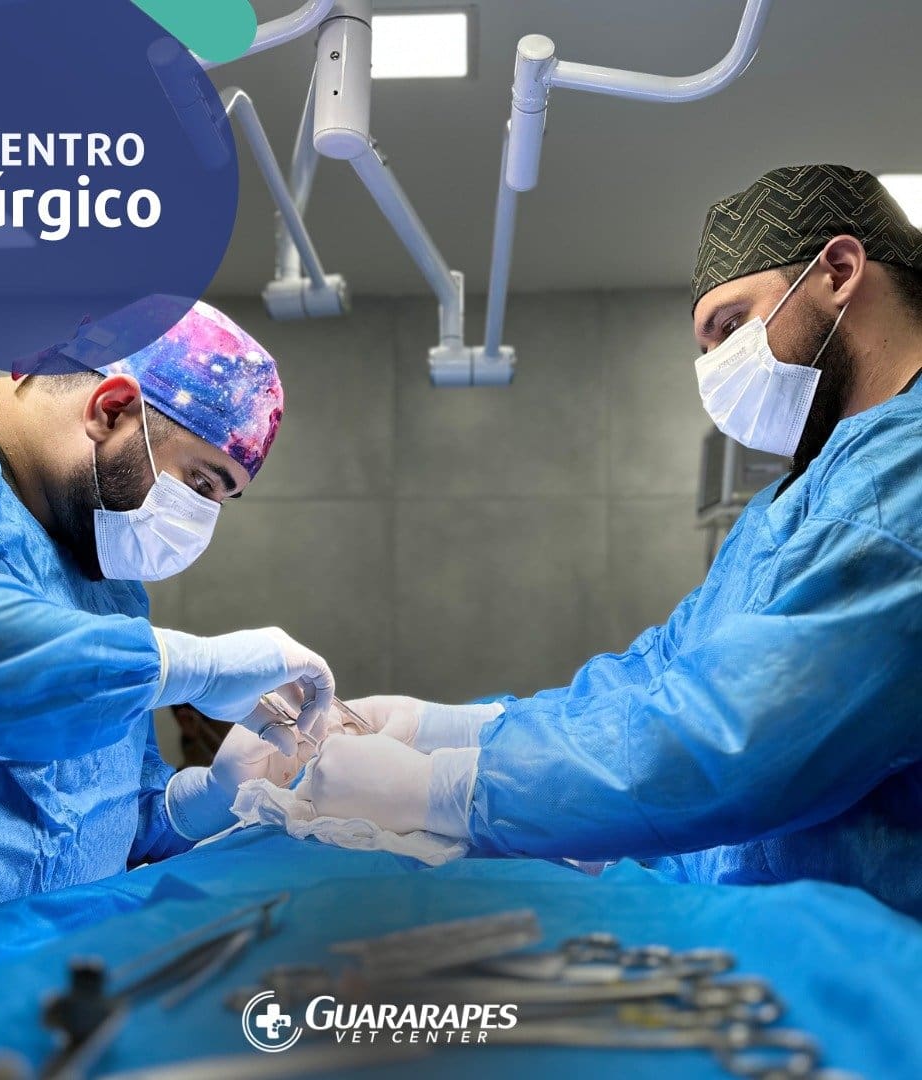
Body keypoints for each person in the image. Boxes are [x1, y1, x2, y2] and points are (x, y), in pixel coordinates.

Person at [303, 165, 922, 917]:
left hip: (874, 960)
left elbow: (740, 734)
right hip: (766, 929)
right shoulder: (795, 497)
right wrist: (448, 729)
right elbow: (659, 675)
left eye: (730, 326)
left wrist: (451, 789)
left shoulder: (905, 476)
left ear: (840, 271)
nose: (714, 366)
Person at [0, 297, 334, 975]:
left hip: (41, 999)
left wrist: (197, 802)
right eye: (200, 482)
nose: (200, 522)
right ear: (110, 408)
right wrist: (186, 666)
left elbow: (93, 810)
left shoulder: (107, 579)